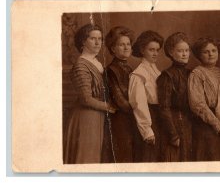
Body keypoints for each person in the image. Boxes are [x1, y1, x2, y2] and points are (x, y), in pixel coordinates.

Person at [64, 23, 116, 164]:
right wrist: (109, 106)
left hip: (97, 115)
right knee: (88, 159)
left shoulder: (95, 62)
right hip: (87, 117)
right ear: (83, 41)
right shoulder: (81, 64)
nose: (98, 42)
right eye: (93, 38)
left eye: (100, 38)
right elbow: (86, 99)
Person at [188, 37, 220, 161]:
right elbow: (198, 105)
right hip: (206, 124)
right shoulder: (196, 74)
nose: (211, 54)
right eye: (206, 52)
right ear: (199, 55)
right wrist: (217, 124)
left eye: (213, 50)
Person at [128, 30, 164, 162]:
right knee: (148, 159)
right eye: (151, 50)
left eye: (157, 50)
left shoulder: (155, 70)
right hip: (148, 119)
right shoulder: (139, 74)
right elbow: (139, 104)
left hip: (159, 118)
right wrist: (147, 131)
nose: (155, 53)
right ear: (142, 50)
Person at [157, 32, 193, 162]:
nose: (184, 54)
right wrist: (173, 135)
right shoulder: (167, 76)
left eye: (187, 50)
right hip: (174, 126)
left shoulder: (191, 73)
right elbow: (164, 108)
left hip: (189, 125)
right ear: (171, 53)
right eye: (180, 51)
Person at [105, 26, 137, 163]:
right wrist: (140, 111)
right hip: (120, 121)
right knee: (124, 156)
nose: (126, 48)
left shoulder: (130, 68)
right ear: (113, 48)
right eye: (121, 44)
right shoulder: (111, 71)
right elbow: (120, 101)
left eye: (128, 44)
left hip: (133, 118)